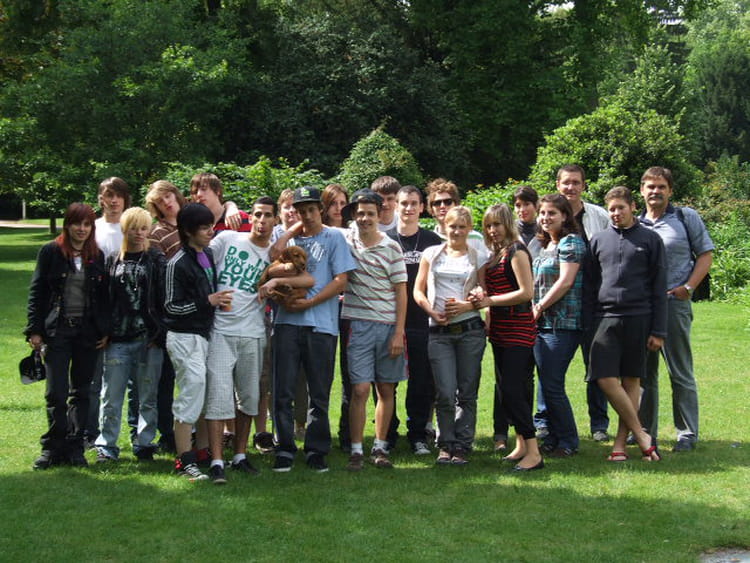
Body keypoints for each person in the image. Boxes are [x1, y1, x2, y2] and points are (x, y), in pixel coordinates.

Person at [204, 197, 314, 484]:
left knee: (249, 399)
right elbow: (200, 263)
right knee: (218, 397)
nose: (262, 221)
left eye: (267, 216)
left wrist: (275, 281)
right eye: (257, 215)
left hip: (253, 333)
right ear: (250, 217)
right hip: (221, 331)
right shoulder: (228, 239)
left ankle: (240, 456)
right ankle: (217, 461)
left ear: (275, 220)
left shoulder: (276, 257)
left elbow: (308, 280)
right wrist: (207, 297)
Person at [269, 186, 356, 472]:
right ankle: (284, 448)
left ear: (321, 209)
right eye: (301, 210)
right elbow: (273, 257)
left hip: (321, 325)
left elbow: (341, 280)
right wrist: (289, 232)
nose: (307, 215)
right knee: (283, 390)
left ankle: (316, 449)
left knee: (318, 392)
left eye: (311, 209)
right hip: (286, 323)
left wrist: (311, 302)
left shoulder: (334, 237)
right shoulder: (289, 240)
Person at [25, 203, 109, 469]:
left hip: (87, 333)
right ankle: (52, 447)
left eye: (87, 225)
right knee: (56, 393)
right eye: (77, 224)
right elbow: (37, 291)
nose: (81, 229)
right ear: (67, 224)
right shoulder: (51, 251)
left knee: (82, 392)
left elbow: (103, 298)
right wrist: (35, 330)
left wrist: (105, 330)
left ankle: (75, 447)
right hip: (57, 331)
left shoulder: (97, 256)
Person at [587, 186, 666, 462]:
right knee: (604, 377)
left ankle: (620, 445)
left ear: (633, 207)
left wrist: (659, 330)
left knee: (631, 379)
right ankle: (642, 435)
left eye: (620, 207)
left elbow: (659, 288)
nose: (616, 213)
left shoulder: (651, 239)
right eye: (611, 209)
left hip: (639, 317)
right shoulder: (598, 240)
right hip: (604, 318)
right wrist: (588, 323)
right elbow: (590, 286)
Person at [638, 166, 714, 452]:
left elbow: (705, 254)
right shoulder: (636, 223)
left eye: (661, 186)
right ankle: (645, 431)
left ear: (670, 190)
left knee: (680, 371)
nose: (655, 191)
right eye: (650, 186)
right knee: (644, 374)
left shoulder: (685, 217)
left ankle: (686, 433)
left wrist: (689, 288)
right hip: (643, 308)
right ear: (642, 190)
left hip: (674, 304)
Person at [164, 203, 234, 481]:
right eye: (204, 228)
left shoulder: (206, 255)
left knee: (205, 395)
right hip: (183, 337)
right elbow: (171, 307)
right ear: (188, 231)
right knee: (191, 395)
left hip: (205, 336)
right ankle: (184, 460)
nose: (210, 232)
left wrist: (216, 302)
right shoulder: (177, 263)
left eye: (210, 226)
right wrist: (207, 301)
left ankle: (203, 452)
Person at [339, 189, 407, 470]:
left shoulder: (391, 247)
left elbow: (401, 291)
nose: (364, 218)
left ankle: (380, 447)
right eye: (360, 213)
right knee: (359, 389)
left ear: (379, 215)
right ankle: (356, 450)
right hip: (357, 325)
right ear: (354, 215)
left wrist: (398, 332)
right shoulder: (345, 240)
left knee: (385, 388)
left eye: (370, 213)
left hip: (388, 326)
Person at [414, 206, 486, 465]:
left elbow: (484, 292)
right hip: (439, 331)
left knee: (467, 391)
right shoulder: (431, 254)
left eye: (462, 227)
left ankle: (463, 444)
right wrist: (431, 311)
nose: (456, 231)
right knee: (444, 391)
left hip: (470, 330)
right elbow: (418, 290)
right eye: (452, 226)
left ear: (469, 229)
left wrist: (469, 304)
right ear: (445, 227)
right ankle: (445, 443)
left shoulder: (477, 256)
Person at [473, 204, 542, 472]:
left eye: (497, 224)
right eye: (488, 225)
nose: (492, 230)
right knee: (507, 391)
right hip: (500, 331)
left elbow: (526, 292)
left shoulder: (516, 251)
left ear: (507, 224)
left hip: (518, 329)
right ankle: (521, 445)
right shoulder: (495, 254)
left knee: (514, 390)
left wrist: (489, 301)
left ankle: (534, 453)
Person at [96, 207, 166, 463]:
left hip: (149, 338)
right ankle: (107, 445)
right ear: (125, 229)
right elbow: (103, 299)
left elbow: (163, 298)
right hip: (117, 339)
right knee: (111, 396)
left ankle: (145, 443)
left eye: (144, 228)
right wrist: (104, 330)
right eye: (134, 228)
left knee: (148, 396)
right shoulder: (112, 259)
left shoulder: (156, 260)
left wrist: (160, 332)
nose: (139, 233)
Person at [556, 165, 611, 442]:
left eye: (576, 182)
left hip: (594, 303)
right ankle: (545, 422)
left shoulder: (599, 216)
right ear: (558, 185)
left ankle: (599, 424)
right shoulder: (551, 214)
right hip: (559, 306)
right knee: (552, 368)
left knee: (596, 366)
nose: (571, 187)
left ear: (584, 186)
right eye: (566, 182)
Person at [386, 185, 443, 455]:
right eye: (404, 203)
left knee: (421, 382)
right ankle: (387, 433)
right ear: (395, 206)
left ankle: (418, 435)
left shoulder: (433, 241)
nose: (408, 208)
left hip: (422, 321)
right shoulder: (385, 240)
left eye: (413, 203)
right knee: (387, 382)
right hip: (388, 321)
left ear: (422, 207)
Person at [532, 194, 584, 457]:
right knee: (546, 383)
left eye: (552, 213)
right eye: (542, 213)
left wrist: (539, 306)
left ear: (564, 216)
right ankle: (552, 436)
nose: (545, 218)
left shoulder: (571, 242)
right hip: (542, 324)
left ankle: (568, 440)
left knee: (552, 384)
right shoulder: (545, 245)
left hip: (562, 324)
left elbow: (565, 281)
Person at [86, 176, 132, 448]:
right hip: (95, 309)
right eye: (108, 195)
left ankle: (139, 435)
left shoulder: (132, 227)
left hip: (128, 311)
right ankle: (90, 432)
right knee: (94, 378)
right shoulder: (92, 228)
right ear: (100, 199)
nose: (113, 201)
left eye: (118, 195)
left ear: (125, 199)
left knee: (130, 381)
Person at [145, 180, 188, 454]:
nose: (167, 203)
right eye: (160, 201)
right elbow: (160, 275)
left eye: (169, 196)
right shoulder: (156, 233)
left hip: (199, 312)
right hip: (169, 314)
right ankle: (167, 433)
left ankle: (192, 431)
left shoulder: (192, 220)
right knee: (166, 379)